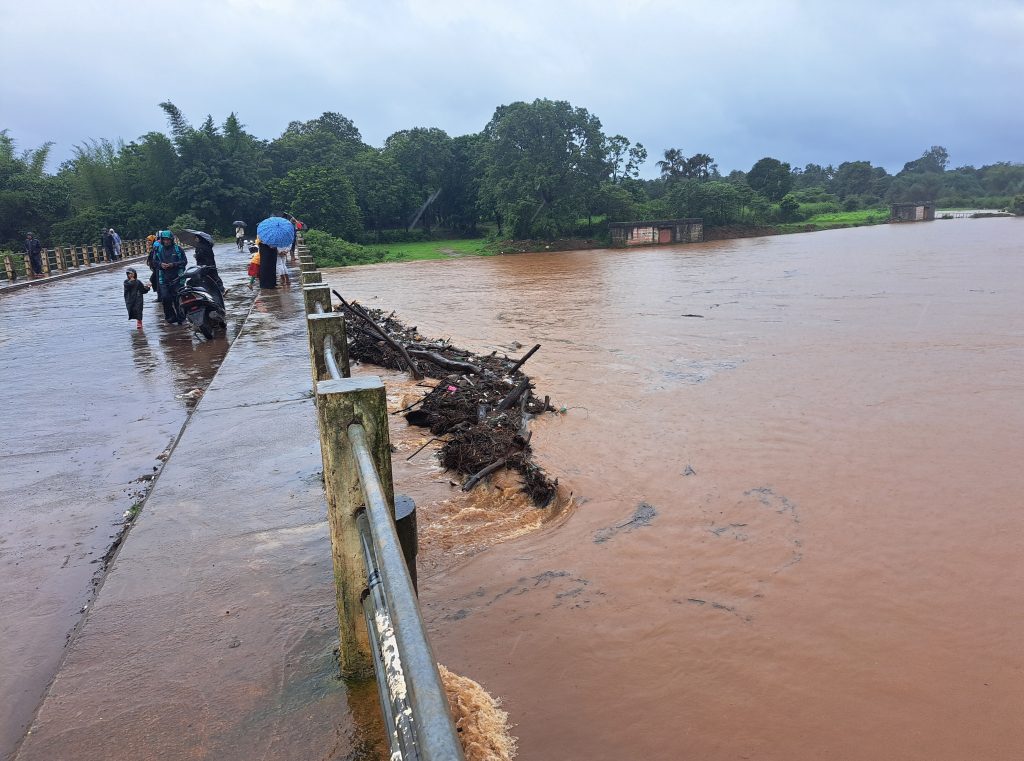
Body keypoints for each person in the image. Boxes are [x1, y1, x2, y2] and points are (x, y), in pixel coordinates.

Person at [152, 230, 187, 324]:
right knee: (165, 298)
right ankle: (170, 317)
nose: (166, 241)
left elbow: (184, 262)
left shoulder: (178, 249)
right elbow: (154, 262)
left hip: (177, 278)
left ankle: (181, 317)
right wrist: (161, 265)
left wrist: (173, 264)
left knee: (177, 298)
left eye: (168, 240)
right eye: (164, 240)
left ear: (171, 240)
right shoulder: (158, 250)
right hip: (163, 278)